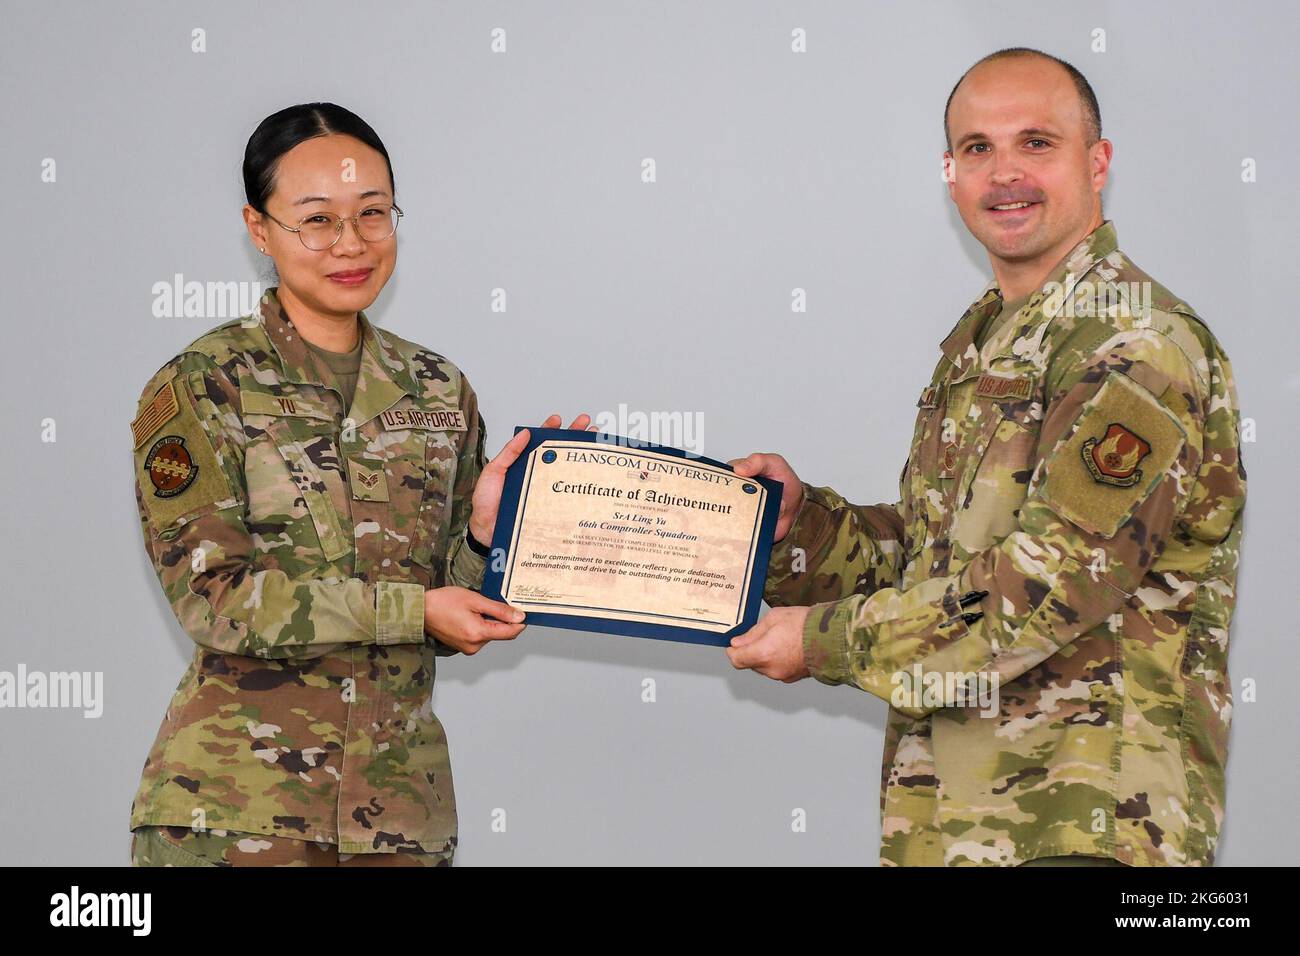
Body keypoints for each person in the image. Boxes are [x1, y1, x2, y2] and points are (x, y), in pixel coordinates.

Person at [726, 48, 1245, 867]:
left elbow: (1045, 585)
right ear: (950, 171)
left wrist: (823, 642)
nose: (1005, 173)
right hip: (955, 822)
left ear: (1097, 161)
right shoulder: (986, 337)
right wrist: (798, 529)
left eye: (1036, 142)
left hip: (1084, 818)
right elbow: (935, 562)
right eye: (978, 148)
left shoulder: (1133, 341)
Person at [128, 102, 586, 866]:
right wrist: (413, 607)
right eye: (317, 219)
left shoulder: (438, 391)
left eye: (373, 214)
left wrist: (486, 537)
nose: (351, 243)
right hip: (236, 818)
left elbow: (451, 605)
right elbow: (215, 601)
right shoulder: (203, 385)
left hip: (401, 821)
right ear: (258, 227)